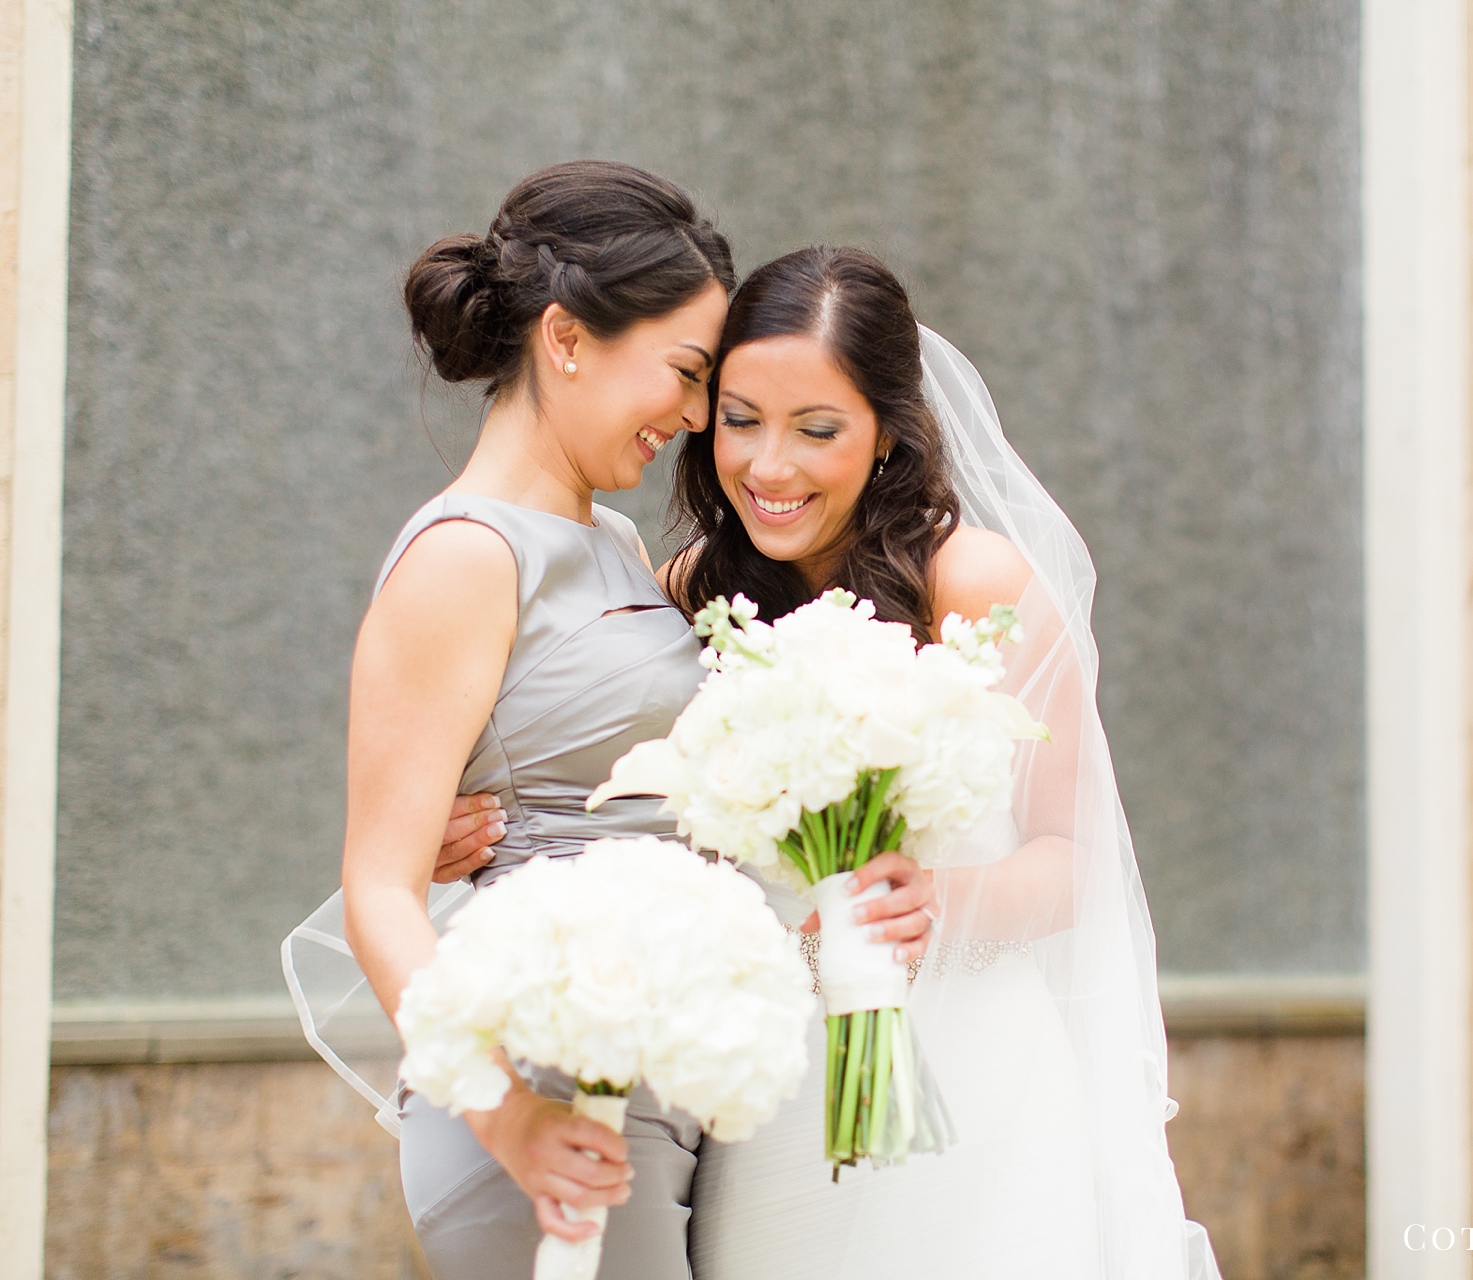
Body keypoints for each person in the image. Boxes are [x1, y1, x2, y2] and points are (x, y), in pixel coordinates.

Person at [442, 245, 1222, 1279]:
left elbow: (1074, 857)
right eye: (740, 419)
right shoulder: (683, 592)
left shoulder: (974, 583)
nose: (770, 466)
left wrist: (942, 894)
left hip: (972, 1082)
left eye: (818, 430)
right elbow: (602, 772)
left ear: (887, 431)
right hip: (763, 1092)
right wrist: (480, 825)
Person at [292, 166, 934, 1280]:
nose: (695, 417)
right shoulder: (464, 556)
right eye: (687, 375)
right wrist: (510, 1121)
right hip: (544, 1085)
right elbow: (380, 890)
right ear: (567, 340)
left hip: (663, 1073)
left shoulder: (620, 546)